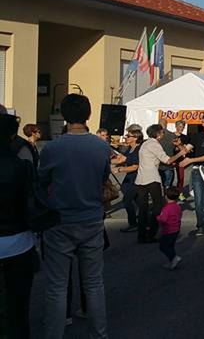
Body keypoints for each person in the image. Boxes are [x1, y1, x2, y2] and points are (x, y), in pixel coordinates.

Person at [37, 94, 111, 339]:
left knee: (57, 286)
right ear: (88, 115)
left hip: (60, 220)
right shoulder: (101, 146)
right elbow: (103, 180)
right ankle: (99, 334)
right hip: (91, 219)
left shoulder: (52, 148)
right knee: (93, 283)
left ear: (64, 117)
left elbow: (41, 183)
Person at [0, 105, 36, 338]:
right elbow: (33, 205)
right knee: (18, 306)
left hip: (17, 239)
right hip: (18, 241)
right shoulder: (21, 166)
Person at [137, 124, 187, 243]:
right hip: (152, 178)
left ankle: (141, 234)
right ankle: (151, 233)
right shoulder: (154, 144)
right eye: (162, 132)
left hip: (140, 178)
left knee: (143, 208)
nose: (163, 134)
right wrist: (182, 152)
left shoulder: (145, 143)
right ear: (158, 134)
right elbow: (167, 160)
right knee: (157, 206)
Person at [112, 127, 143, 234]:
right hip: (130, 177)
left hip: (136, 177)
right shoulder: (130, 148)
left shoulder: (139, 150)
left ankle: (133, 223)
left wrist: (120, 169)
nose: (126, 137)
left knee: (127, 200)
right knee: (138, 201)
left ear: (135, 138)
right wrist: (105, 161)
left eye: (128, 136)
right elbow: (121, 159)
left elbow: (136, 166)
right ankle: (145, 220)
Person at [157, 187, 183, 270]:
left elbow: (163, 219)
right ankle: (172, 261)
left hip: (168, 230)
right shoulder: (177, 206)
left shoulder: (166, 209)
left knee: (163, 246)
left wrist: (157, 217)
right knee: (170, 245)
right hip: (176, 229)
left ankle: (174, 258)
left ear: (166, 196)